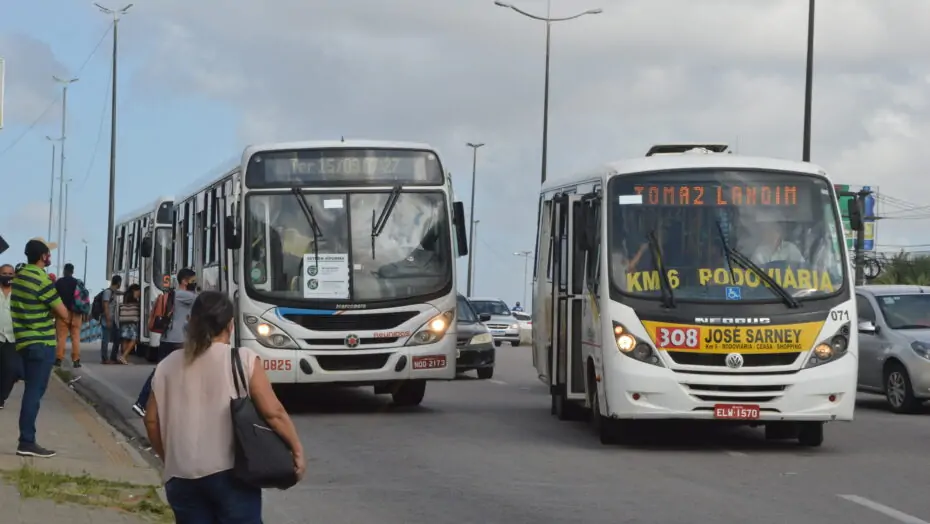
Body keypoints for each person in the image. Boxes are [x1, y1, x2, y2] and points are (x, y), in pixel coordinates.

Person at [144, 291, 305, 522]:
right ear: (230, 325)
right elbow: (274, 413)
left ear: (192, 321)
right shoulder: (243, 359)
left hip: (181, 478)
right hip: (231, 475)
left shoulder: (166, 365)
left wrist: (169, 458)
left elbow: (151, 420)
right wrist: (296, 450)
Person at [11, 238, 70, 458]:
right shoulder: (41, 280)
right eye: (48, 253)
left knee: (30, 390)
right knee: (34, 393)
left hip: (24, 341)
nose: (50, 256)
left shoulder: (19, 278)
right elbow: (63, 313)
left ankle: (26, 440)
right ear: (43, 257)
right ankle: (27, 441)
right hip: (41, 342)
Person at [132, 268, 197, 417]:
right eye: (193, 280)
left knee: (164, 373)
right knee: (169, 374)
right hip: (178, 341)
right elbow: (201, 300)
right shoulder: (183, 295)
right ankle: (144, 403)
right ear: (184, 281)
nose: (195, 283)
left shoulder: (174, 295)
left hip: (168, 339)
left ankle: (146, 404)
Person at [53, 263, 84, 368]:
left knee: (61, 337)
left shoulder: (59, 282)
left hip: (63, 312)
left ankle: (58, 359)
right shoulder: (77, 283)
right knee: (75, 337)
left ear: (64, 271)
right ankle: (76, 360)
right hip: (76, 313)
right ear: (72, 271)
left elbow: (53, 297)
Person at [0, 263, 21, 409]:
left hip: (12, 338)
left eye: (10, 274)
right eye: (4, 273)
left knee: (12, 370)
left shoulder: (18, 294)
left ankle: (2, 396)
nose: (7, 276)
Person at [117, 283, 141, 364]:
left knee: (125, 339)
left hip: (124, 320)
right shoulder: (135, 299)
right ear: (135, 290)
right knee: (134, 339)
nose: (140, 293)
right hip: (132, 321)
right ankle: (123, 356)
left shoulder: (126, 296)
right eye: (138, 291)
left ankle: (124, 359)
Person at [101, 275, 122, 364]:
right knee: (105, 339)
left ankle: (113, 357)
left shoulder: (113, 292)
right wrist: (108, 319)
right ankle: (105, 359)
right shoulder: (107, 292)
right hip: (107, 319)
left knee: (117, 338)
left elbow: (119, 292)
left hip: (112, 319)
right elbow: (105, 305)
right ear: (118, 283)